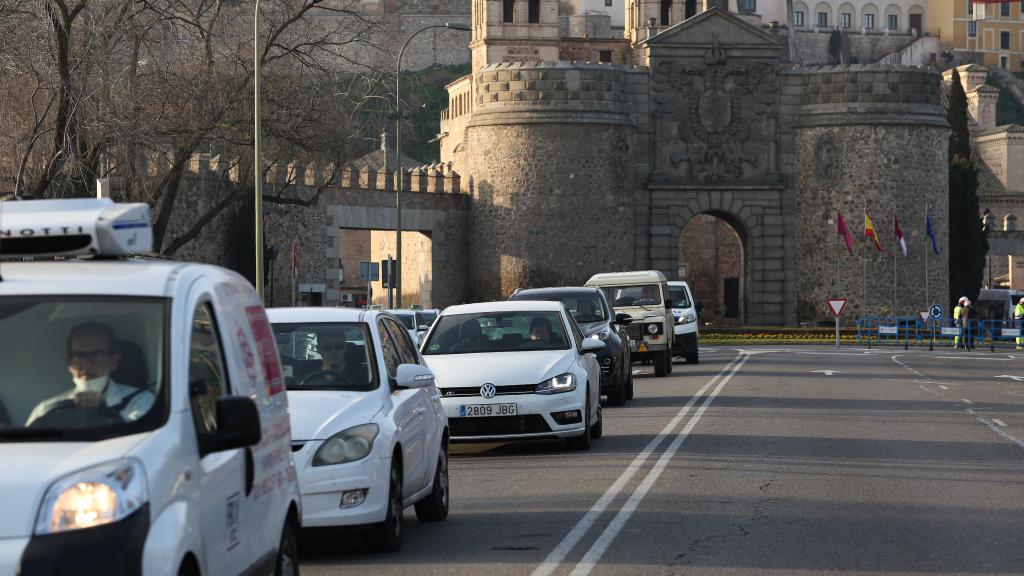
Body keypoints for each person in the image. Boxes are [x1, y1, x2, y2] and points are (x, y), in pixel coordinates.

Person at [27, 321, 155, 426]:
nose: (87, 364)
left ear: (113, 361)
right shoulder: (46, 409)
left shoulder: (141, 401)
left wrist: (100, 412)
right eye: (79, 355)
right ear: (69, 363)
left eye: (96, 355)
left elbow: (136, 442)